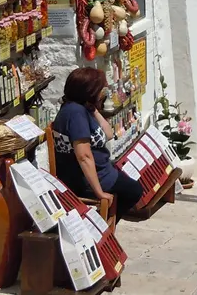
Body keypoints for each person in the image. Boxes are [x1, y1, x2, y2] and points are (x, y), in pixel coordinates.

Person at [52, 68, 143, 219]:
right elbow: (84, 157)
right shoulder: (75, 114)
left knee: (130, 185)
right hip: (89, 179)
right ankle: (103, 223)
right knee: (134, 191)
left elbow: (108, 134)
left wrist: (93, 109)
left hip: (103, 169)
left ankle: (107, 222)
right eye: (101, 90)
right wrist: (99, 192)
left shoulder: (82, 109)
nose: (103, 93)